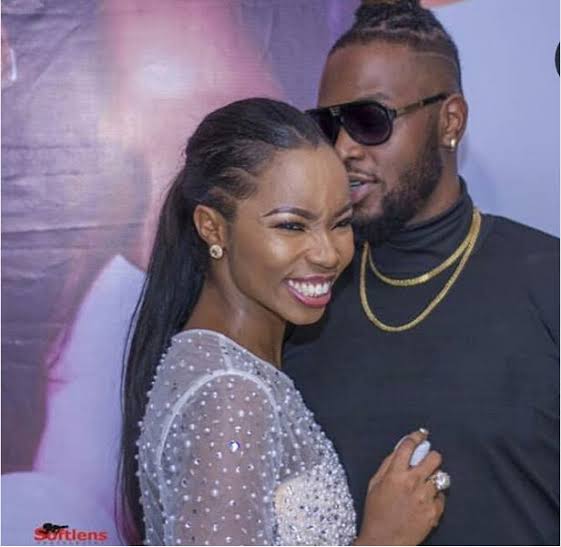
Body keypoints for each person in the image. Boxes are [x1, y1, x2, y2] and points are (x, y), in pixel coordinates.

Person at [283, 1, 559, 545]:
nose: (343, 148)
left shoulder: (549, 279)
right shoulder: (303, 299)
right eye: (328, 125)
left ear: (450, 121)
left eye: (370, 120)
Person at [120, 97, 448, 546]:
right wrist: (382, 539)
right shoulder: (232, 394)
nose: (328, 254)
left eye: (340, 223)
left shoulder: (223, 368)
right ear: (212, 227)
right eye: (292, 226)